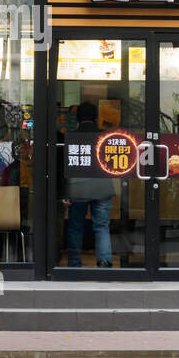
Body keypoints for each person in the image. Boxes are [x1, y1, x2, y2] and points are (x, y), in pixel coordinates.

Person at [61, 101, 116, 268]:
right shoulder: (104, 137)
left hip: (78, 188)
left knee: (75, 226)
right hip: (102, 188)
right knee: (101, 226)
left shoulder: (70, 137)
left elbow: (66, 166)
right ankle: (104, 261)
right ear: (96, 117)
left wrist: (65, 191)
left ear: (77, 118)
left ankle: (74, 263)